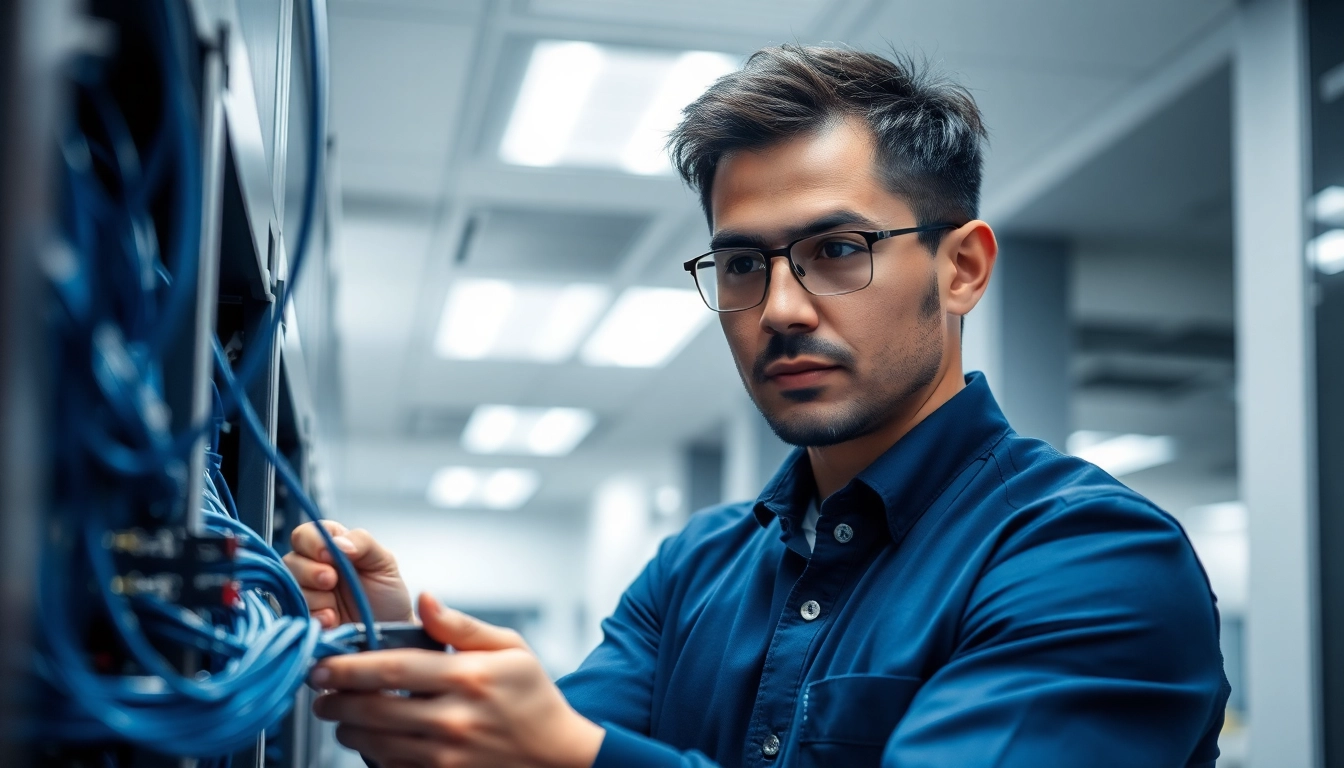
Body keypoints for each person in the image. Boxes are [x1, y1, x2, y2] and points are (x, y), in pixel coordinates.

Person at [285, 45, 1230, 768]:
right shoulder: (695, 570)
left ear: (962, 268)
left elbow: (565, 751)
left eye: (838, 249)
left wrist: (580, 759)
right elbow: (532, 750)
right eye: (743, 264)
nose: (779, 308)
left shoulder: (1091, 560)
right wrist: (408, 661)